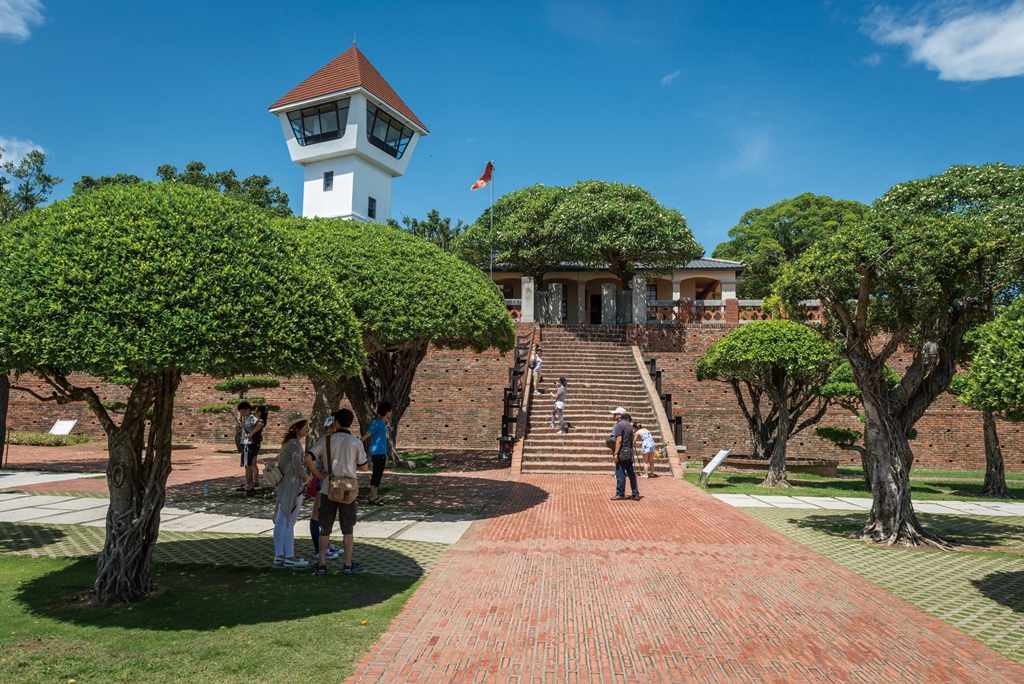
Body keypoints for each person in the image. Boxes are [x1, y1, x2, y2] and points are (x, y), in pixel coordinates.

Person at [305, 408, 368, 576]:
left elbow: (308, 457)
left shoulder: (326, 440)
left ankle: (322, 564)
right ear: (350, 423)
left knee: (325, 528)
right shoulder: (356, 442)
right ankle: (347, 564)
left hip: (328, 487)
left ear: (337, 422)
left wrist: (318, 474)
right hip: (348, 489)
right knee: (348, 528)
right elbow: (364, 467)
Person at [273, 412, 310, 569]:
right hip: (293, 487)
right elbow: (297, 465)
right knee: (290, 522)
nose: (307, 428)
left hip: (284, 487)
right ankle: (290, 556)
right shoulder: (295, 444)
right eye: (304, 425)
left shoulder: (286, 445)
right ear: (296, 428)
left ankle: (279, 554)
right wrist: (306, 477)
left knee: (281, 521)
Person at [308, 414, 341, 561]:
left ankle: (325, 544)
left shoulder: (336, 441)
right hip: (323, 482)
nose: (333, 430)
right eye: (330, 428)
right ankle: (318, 549)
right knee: (317, 515)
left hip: (332, 482)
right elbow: (315, 458)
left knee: (327, 515)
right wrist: (319, 475)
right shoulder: (324, 442)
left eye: (334, 427)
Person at [360, 401, 392, 506]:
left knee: (379, 474)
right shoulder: (377, 422)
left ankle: (375, 496)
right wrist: (357, 442)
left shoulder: (382, 423)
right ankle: (373, 498)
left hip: (381, 453)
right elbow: (368, 434)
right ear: (387, 412)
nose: (391, 414)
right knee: (376, 474)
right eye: (390, 411)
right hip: (377, 453)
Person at [610, 407, 640, 501]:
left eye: (615, 413)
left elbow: (619, 440)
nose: (614, 415)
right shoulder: (628, 424)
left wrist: (616, 453)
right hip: (629, 451)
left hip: (622, 452)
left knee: (620, 473)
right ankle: (635, 493)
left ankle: (620, 493)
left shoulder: (619, 424)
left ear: (620, 415)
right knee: (631, 474)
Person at [237, 402, 259, 494]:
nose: (241, 414)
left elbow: (259, 424)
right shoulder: (248, 418)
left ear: (248, 410)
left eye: (243, 411)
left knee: (247, 466)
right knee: (248, 465)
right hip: (246, 443)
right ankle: (249, 485)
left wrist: (252, 433)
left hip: (248, 444)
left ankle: (248, 485)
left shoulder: (252, 418)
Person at [250, 405, 268, 488]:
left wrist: (251, 433)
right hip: (253, 443)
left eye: (256, 411)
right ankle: (252, 481)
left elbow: (255, 429)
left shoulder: (260, 421)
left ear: (260, 412)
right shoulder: (257, 421)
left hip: (254, 443)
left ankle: (256, 481)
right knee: (251, 463)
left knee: (253, 463)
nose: (254, 412)